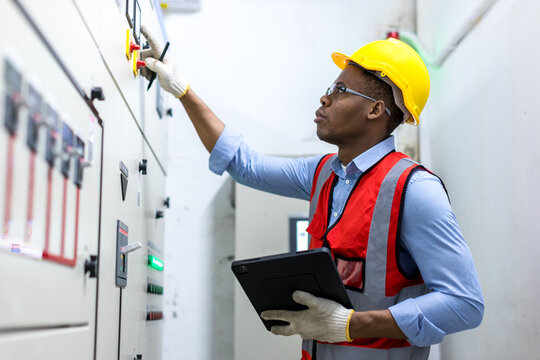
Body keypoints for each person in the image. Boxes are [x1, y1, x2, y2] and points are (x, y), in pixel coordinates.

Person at [140, 25, 484, 360]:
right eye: (330, 87)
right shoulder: (322, 174)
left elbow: (464, 303)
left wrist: (351, 324)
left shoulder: (415, 190)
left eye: (340, 90)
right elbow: (244, 164)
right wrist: (183, 90)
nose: (325, 97)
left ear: (376, 110)